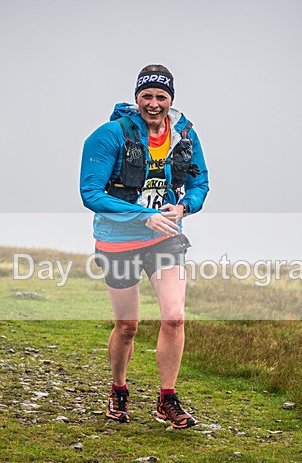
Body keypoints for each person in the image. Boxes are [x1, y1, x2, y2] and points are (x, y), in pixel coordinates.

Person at [80, 65, 209, 429]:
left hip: (165, 237)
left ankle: (167, 399)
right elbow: (90, 193)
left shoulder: (184, 135)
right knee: (127, 326)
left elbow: (200, 182)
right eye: (147, 96)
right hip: (117, 240)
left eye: (161, 97)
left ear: (171, 100)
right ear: (137, 98)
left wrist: (184, 207)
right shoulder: (108, 136)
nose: (153, 104)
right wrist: (143, 215)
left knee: (174, 317)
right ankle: (118, 389)